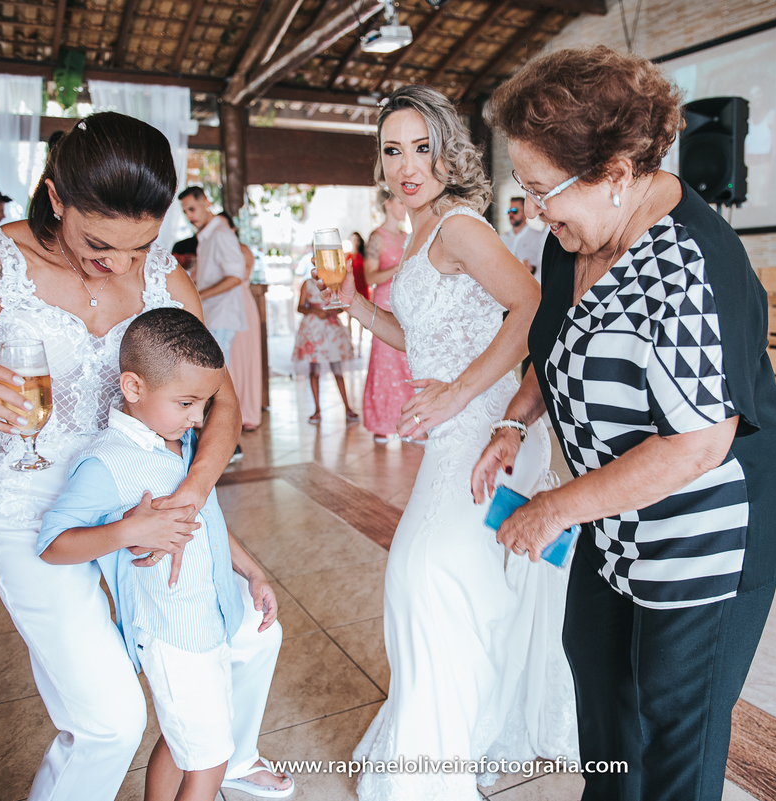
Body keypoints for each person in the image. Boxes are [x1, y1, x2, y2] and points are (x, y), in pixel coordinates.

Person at [0, 112, 290, 800]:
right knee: (109, 719)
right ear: (55, 198)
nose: (119, 266)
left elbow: (220, 401)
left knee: (248, 632)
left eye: (139, 247)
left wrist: (193, 491)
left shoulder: (166, 278)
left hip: (140, 494)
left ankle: (226, 754)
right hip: (31, 511)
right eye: (100, 243)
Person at [473, 46, 776, 801]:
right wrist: (515, 423)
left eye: (540, 188)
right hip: (612, 511)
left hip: (704, 529)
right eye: (521, 188)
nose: (531, 208)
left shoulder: (690, 264)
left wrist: (556, 507)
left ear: (616, 172)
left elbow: (698, 442)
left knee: (671, 723)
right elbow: (553, 344)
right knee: (595, 668)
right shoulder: (571, 240)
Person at [318, 85, 577, 800]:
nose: (407, 164)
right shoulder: (418, 232)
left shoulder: (461, 225)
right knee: (460, 590)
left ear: (447, 150)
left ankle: (435, 766)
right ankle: (460, 738)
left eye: (421, 147)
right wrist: (356, 308)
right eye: (393, 149)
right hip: (449, 434)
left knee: (422, 577)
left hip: (488, 430)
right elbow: (424, 337)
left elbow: (532, 306)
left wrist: (459, 394)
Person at [37, 308, 291, 801]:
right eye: (187, 403)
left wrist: (253, 572)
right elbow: (51, 544)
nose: (199, 418)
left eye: (204, 403)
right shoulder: (106, 462)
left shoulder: (179, 441)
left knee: (182, 744)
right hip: (174, 636)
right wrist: (130, 529)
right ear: (133, 388)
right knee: (211, 757)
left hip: (212, 616)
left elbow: (206, 522)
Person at [360, 189, 413, 444]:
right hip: (383, 303)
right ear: (387, 203)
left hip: (406, 305)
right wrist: (397, 267)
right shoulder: (376, 237)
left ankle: (410, 423)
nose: (404, 206)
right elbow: (370, 277)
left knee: (407, 363)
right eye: (399, 201)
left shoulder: (408, 237)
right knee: (383, 364)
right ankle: (381, 424)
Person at [178, 187, 247, 363]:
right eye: (185, 211)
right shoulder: (206, 237)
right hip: (211, 314)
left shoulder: (221, 234)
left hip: (221, 313)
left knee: (219, 375)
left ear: (207, 203)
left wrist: (199, 296)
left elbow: (235, 277)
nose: (189, 216)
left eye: (192, 209)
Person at [217, 212, 263, 432]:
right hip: (221, 307)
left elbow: (237, 276)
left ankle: (248, 412)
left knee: (245, 359)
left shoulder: (242, 250)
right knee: (227, 360)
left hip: (241, 304)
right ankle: (225, 413)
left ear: (232, 229)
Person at [292, 275, 357, 424]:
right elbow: (300, 307)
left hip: (331, 328)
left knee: (338, 370)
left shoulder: (334, 282)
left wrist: (335, 311)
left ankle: (347, 407)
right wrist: (315, 312)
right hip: (314, 329)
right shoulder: (308, 283)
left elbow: (342, 305)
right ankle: (317, 409)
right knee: (314, 370)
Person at [499, 197, 548, 282]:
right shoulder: (501, 238)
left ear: (525, 213)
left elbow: (544, 266)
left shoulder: (539, 237)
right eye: (508, 211)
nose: (511, 214)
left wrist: (532, 269)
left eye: (514, 211)